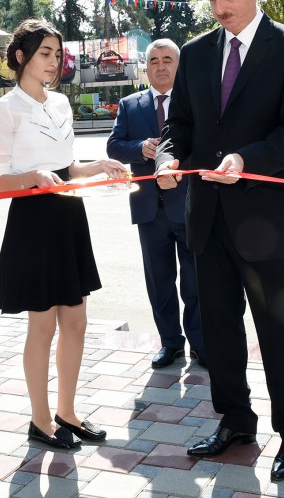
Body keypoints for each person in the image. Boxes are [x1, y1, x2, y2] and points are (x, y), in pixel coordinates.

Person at [155, 0, 284, 481]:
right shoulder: (196, 53)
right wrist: (166, 156)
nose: (219, 7)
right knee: (220, 329)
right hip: (205, 216)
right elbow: (178, 124)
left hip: (264, 221)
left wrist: (246, 161)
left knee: (278, 329)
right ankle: (235, 420)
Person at [0, 19, 127, 450]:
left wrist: (98, 166)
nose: (53, 62)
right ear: (21, 57)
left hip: (69, 216)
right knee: (42, 326)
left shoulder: (62, 104)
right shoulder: (4, 109)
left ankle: (68, 411)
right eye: (45, 53)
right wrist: (32, 176)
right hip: (33, 219)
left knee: (77, 322)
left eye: (56, 54)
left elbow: (67, 168)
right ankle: (41, 420)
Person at [106, 39, 204, 370]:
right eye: (153, 61)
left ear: (180, 66)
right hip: (149, 211)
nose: (160, 66)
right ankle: (170, 344)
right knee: (159, 282)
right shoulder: (130, 104)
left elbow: (207, 146)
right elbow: (114, 146)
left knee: (195, 282)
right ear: (145, 67)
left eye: (168, 60)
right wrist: (139, 148)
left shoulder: (195, 103)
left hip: (190, 206)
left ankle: (201, 345)